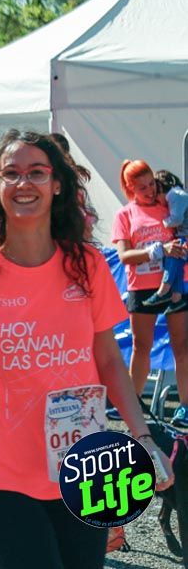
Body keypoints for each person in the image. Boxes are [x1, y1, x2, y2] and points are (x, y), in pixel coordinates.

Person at [0, 131, 174, 568]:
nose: (24, 183)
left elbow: (108, 361)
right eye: (11, 174)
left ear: (57, 183)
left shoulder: (88, 265)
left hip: (87, 463)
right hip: (0, 468)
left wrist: (143, 438)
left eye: (36, 173)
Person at [112, 159, 188, 427]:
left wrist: (178, 248)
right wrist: (156, 251)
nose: (150, 191)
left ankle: (185, 407)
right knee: (140, 347)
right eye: (142, 187)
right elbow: (124, 256)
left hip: (175, 284)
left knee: (182, 347)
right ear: (130, 188)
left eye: (152, 184)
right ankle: (132, 404)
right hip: (142, 287)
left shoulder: (168, 206)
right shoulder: (125, 215)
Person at [143, 170, 188, 310]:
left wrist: (163, 222)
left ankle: (164, 290)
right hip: (184, 235)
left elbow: (176, 219)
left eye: (156, 195)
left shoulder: (175, 195)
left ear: (161, 188)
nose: (157, 200)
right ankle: (177, 297)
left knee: (174, 253)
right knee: (178, 260)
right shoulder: (176, 195)